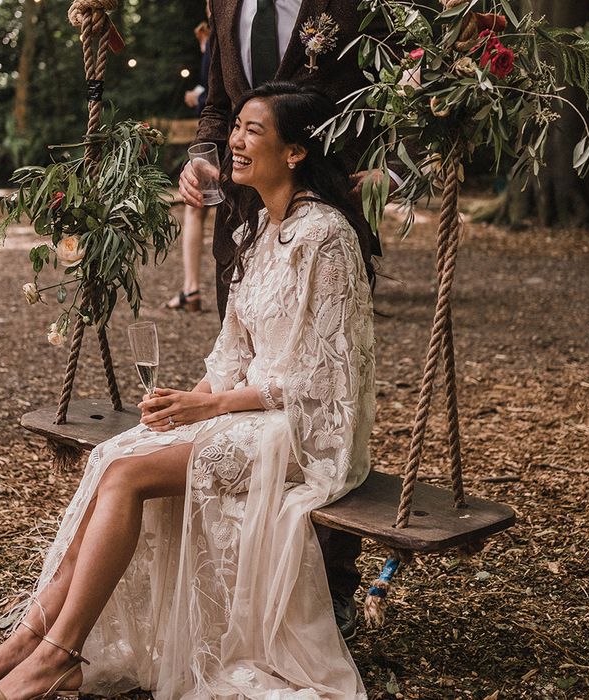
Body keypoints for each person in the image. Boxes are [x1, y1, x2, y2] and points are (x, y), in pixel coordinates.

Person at [0, 82, 376, 700]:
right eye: (236, 127)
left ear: (296, 153)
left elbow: (323, 379)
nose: (234, 141)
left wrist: (211, 406)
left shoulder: (326, 236)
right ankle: (24, 644)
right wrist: (182, 406)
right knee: (117, 452)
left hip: (304, 429)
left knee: (127, 476)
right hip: (246, 408)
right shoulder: (251, 233)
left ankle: (55, 654)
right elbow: (232, 354)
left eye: (252, 130)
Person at [179, 0, 387, 639]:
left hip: (328, 205)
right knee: (242, 365)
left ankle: (331, 592)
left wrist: (392, 171)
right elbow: (219, 107)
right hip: (242, 220)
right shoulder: (223, 4)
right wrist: (200, 154)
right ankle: (240, 588)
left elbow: (390, 93)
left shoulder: (352, 6)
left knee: (320, 384)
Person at [165, 9, 213, 312]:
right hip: (229, 133)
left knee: (195, 210)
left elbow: (215, 95)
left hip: (220, 136)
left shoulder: (223, 33)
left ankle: (192, 287)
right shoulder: (214, 36)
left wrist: (197, 98)